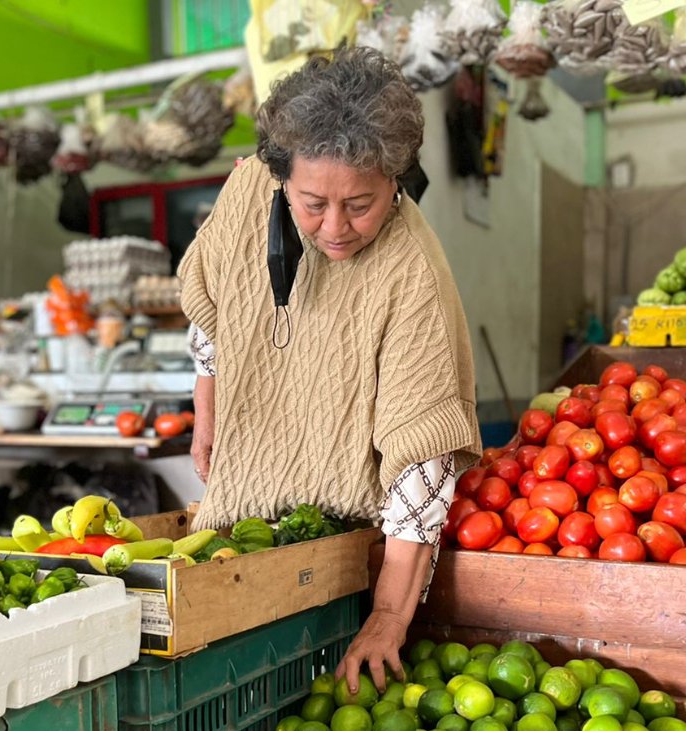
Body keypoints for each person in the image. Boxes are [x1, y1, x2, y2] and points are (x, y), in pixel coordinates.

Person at [179, 46, 480, 694]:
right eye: (312, 203)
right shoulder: (245, 193)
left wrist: (388, 616)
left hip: (350, 552)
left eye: (362, 204)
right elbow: (210, 313)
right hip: (243, 526)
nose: (335, 228)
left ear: (395, 178)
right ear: (281, 177)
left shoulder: (413, 274)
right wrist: (206, 420)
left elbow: (420, 462)